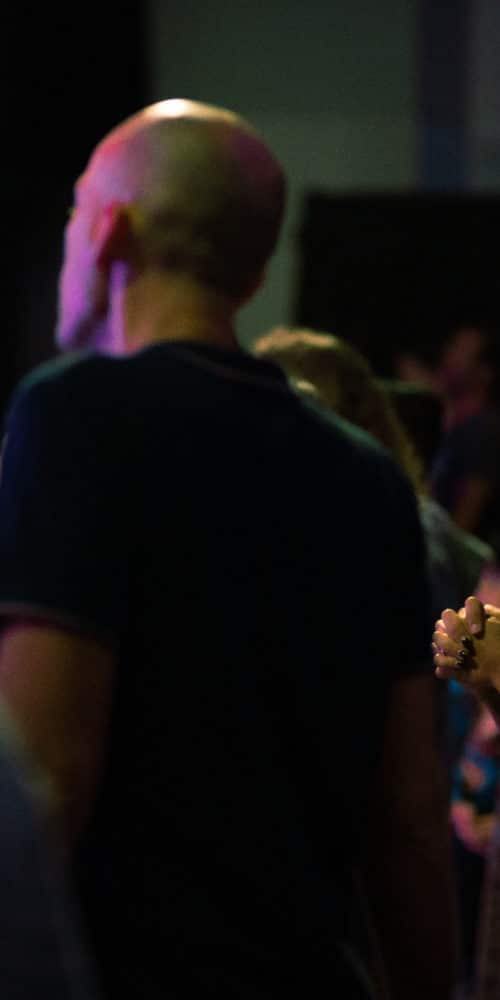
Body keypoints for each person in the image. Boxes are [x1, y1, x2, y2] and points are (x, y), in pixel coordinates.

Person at [0, 100, 456, 999]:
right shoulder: (367, 478)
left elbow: (44, 774)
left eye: (75, 212)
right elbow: (407, 817)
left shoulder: (75, 415)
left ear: (109, 231)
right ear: (252, 275)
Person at [431, 324, 500, 554]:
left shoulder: (482, 430)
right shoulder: (452, 424)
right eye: (452, 347)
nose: (448, 355)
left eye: (460, 352)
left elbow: (466, 518)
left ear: (485, 373)